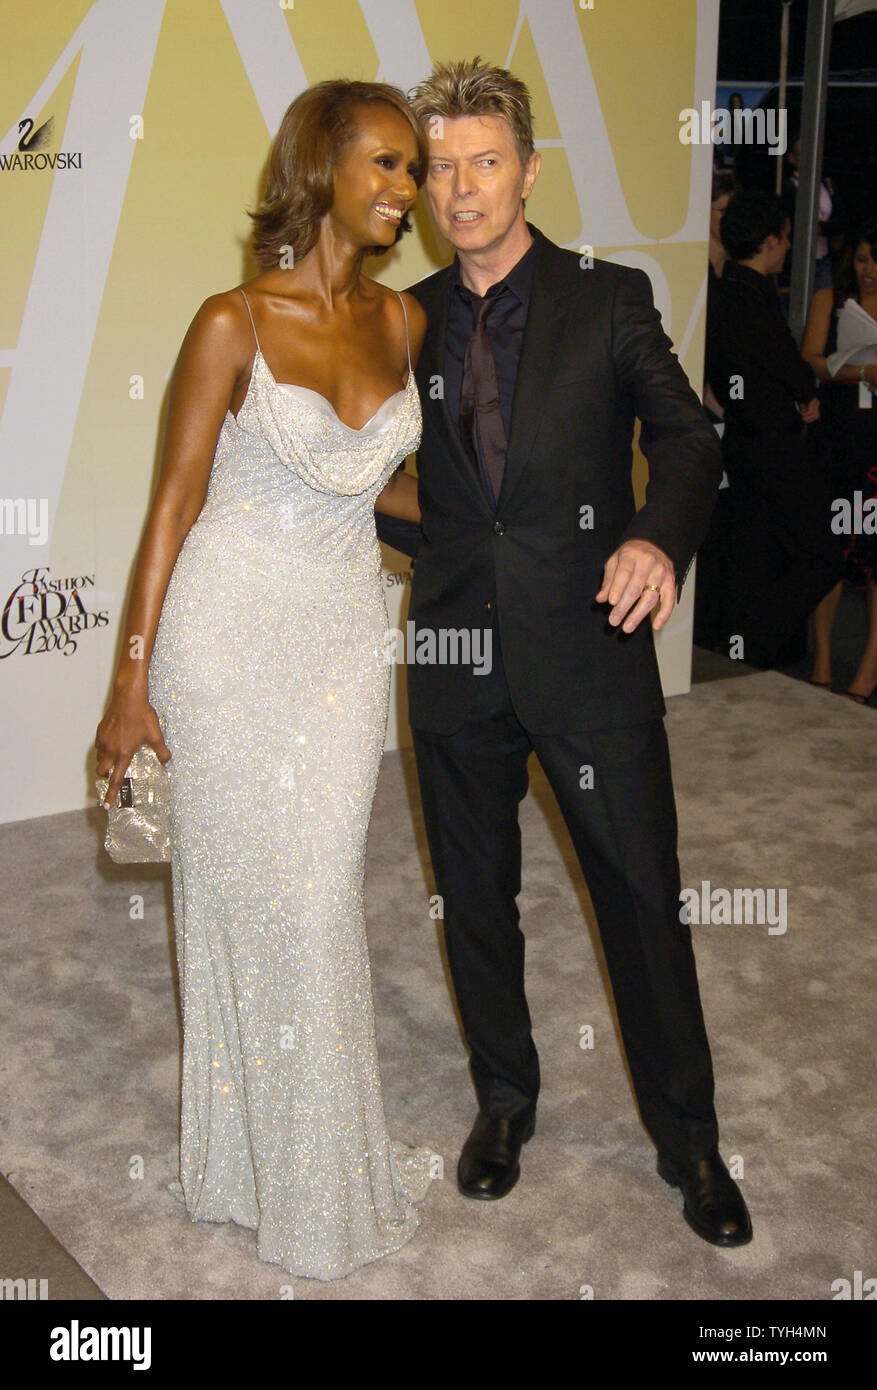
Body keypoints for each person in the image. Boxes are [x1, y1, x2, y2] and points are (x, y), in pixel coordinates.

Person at [378, 58, 751, 1248]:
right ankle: (504, 1100)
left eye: (484, 162)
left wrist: (651, 537)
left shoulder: (608, 299)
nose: (461, 188)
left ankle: (690, 1141)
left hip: (589, 648)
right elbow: (382, 480)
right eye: (441, 167)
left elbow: (688, 440)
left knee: (641, 900)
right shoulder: (403, 317)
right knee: (474, 897)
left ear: (528, 171)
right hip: (453, 651)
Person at [94, 80, 436, 1281]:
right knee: (244, 902)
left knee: (316, 897)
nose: (405, 188)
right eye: (385, 163)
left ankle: (312, 1171)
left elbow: (379, 486)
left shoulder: (405, 323)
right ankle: (250, 1165)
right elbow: (172, 507)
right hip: (225, 639)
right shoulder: (230, 321)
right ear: (321, 166)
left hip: (339, 639)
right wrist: (130, 685)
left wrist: (495, 520)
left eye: (412, 169)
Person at [705, 187, 841, 668]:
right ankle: (755, 641)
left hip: (743, 445)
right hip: (773, 450)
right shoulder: (751, 299)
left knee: (757, 556)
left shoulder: (724, 295)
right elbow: (788, 366)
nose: (787, 246)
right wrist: (804, 393)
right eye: (784, 237)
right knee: (822, 554)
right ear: (768, 241)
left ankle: (745, 647)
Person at [801, 218, 877, 702]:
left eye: (876, 261)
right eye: (862, 258)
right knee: (829, 546)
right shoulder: (829, 299)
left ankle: (868, 671)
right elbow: (809, 357)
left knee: (875, 550)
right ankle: (823, 660)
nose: (869, 270)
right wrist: (861, 370)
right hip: (836, 435)